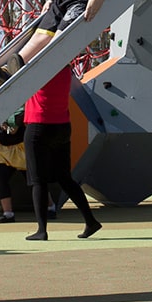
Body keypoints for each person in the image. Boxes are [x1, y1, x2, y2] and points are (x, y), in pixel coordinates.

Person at [20, 65, 102, 241]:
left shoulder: (38, 68)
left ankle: (41, 230)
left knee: (38, 180)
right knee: (65, 178)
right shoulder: (65, 68)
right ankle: (90, 220)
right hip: (62, 124)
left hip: (38, 124)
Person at [0, 110, 27, 224]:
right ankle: (8, 213)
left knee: (33, 180)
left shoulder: (19, 112)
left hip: (20, 150)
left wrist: (1, 125)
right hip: (4, 151)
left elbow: (12, 130)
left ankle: (50, 207)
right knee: (0, 178)